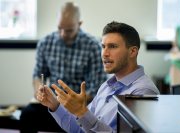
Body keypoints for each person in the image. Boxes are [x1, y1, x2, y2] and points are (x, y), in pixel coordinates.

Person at [36, 21, 160, 132]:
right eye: (103, 46)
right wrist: (54, 105)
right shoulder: (106, 86)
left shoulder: (144, 91)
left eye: (112, 46)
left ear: (132, 52)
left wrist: (81, 111)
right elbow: (79, 130)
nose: (104, 53)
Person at [20, 2, 107, 133]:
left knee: (83, 120)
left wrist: (72, 102)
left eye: (69, 30)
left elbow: (97, 87)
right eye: (60, 28)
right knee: (27, 114)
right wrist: (39, 90)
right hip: (53, 102)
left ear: (80, 24)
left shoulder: (93, 46)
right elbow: (38, 74)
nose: (63, 34)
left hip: (80, 105)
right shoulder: (46, 43)